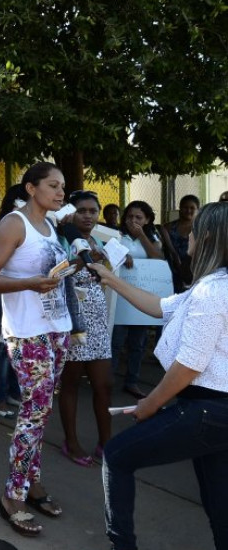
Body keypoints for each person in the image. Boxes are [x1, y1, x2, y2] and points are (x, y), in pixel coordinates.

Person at [92, 201, 228, 550]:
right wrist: (109, 277)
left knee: (117, 456)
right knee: (219, 503)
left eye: (195, 231)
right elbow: (160, 306)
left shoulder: (214, 291)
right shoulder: (213, 286)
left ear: (209, 237)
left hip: (207, 410)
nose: (189, 237)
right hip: (215, 412)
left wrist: (151, 404)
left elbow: (189, 364)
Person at [0, 162, 71, 537]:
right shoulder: (14, 224)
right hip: (27, 332)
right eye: (53, 185)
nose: (61, 192)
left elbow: (49, 273)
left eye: (63, 186)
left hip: (56, 328)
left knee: (42, 413)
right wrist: (29, 284)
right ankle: (12, 496)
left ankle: (32, 483)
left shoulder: (51, 226)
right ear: (31, 188)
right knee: (33, 414)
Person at [57, 190, 113, 466]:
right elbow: (55, 275)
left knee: (104, 385)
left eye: (93, 210)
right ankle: (72, 441)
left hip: (98, 319)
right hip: (73, 320)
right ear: (71, 212)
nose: (88, 215)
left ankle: (106, 443)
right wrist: (84, 259)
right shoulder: (61, 239)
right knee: (71, 383)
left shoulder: (97, 240)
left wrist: (105, 261)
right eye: (82, 210)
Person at [111, 200, 164, 400]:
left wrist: (142, 235)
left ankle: (132, 381)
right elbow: (108, 256)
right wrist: (121, 256)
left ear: (148, 219)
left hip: (141, 299)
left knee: (137, 343)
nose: (133, 220)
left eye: (139, 217)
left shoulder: (153, 238)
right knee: (116, 341)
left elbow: (157, 258)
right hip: (119, 298)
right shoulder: (117, 236)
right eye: (130, 217)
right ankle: (108, 380)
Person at [0, 184, 27, 418]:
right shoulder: (7, 224)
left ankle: (13, 392)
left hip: (24, 291)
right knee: (5, 345)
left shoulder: (36, 225)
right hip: (5, 289)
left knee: (19, 344)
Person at [159, 194, 199, 292]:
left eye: (192, 208)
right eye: (185, 207)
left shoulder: (202, 228)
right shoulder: (168, 227)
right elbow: (170, 251)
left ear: (198, 209)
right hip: (173, 269)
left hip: (196, 270)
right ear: (180, 208)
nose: (188, 210)